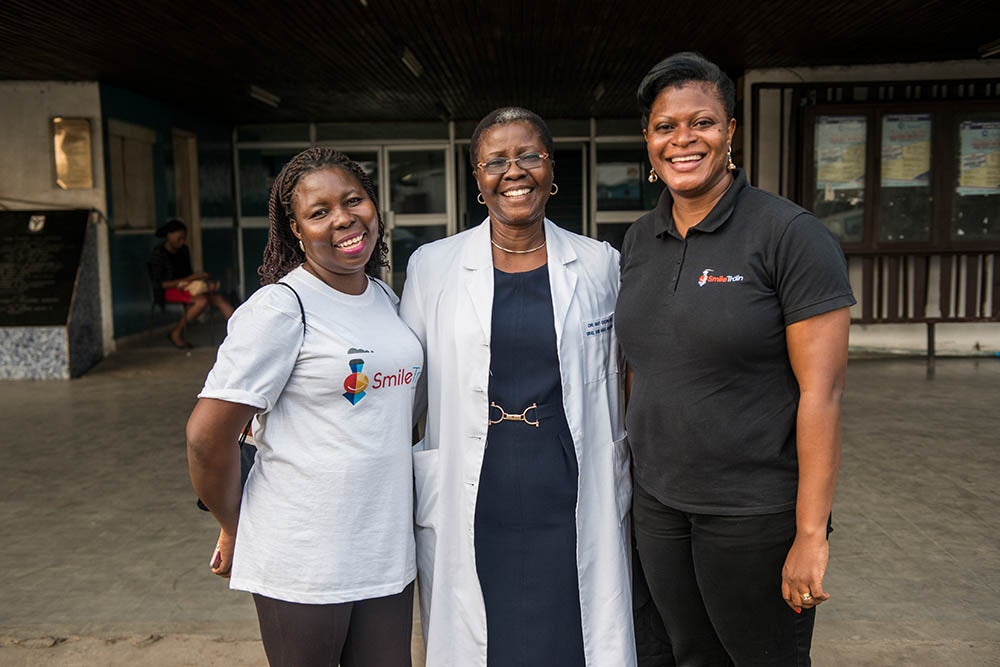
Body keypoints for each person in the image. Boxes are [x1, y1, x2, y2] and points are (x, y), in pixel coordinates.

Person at [616, 52, 856, 665]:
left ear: (730, 133)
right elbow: (641, 370)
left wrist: (809, 535)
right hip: (660, 509)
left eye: (702, 122)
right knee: (682, 655)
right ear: (648, 139)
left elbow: (821, 395)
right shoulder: (641, 240)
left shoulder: (789, 235)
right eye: (666, 126)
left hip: (752, 515)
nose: (683, 139)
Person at [400, 107, 636, 666]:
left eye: (529, 155)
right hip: (476, 478)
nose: (515, 171)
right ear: (478, 179)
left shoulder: (601, 263)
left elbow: (630, 371)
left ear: (552, 171)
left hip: (569, 475)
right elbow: (403, 391)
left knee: (572, 629)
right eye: (496, 161)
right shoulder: (432, 267)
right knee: (485, 631)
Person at [186, 148, 421, 667]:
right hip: (304, 559)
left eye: (353, 200)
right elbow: (207, 437)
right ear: (296, 230)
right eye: (319, 212)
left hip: (385, 550)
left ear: (374, 207)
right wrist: (235, 522)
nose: (343, 218)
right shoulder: (280, 308)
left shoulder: (384, 297)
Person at [149, 218, 234, 348]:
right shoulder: (158, 254)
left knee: (218, 298)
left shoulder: (183, 250)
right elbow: (162, 284)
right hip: (167, 291)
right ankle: (176, 333)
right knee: (202, 301)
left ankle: (240, 331)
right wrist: (191, 279)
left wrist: (202, 282)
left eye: (184, 238)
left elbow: (188, 276)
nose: (182, 241)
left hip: (187, 288)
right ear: (169, 235)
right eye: (179, 238)